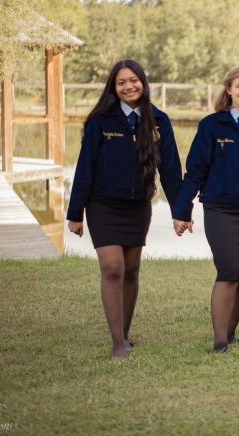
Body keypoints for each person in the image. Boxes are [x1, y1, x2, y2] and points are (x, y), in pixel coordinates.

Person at [67, 59, 182, 359]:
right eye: (121, 82)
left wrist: (180, 211)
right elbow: (85, 167)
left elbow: (170, 170)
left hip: (138, 207)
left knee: (131, 271)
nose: (128, 86)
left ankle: (125, 335)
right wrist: (75, 213)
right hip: (102, 204)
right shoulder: (101, 121)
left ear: (143, 83)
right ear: (113, 88)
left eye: (134, 80)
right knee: (113, 268)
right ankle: (118, 344)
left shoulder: (160, 121)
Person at [173, 66, 239, 353]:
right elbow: (195, 170)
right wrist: (183, 210)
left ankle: (231, 334)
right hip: (221, 210)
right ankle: (220, 342)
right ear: (229, 90)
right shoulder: (211, 125)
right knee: (229, 270)